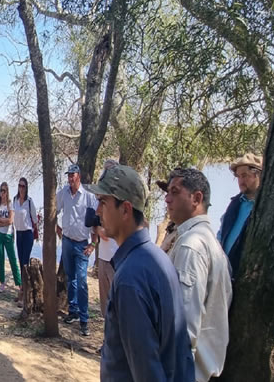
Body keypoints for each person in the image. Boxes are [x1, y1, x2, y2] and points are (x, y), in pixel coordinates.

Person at [85, 165, 195, 382]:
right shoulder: (157, 258)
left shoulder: (130, 278)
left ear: (125, 209)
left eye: (103, 202)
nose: (97, 211)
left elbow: (146, 368)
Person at [165, 168, 232, 382]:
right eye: (167, 192)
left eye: (174, 192)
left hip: (187, 373)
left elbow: (183, 327)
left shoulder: (192, 246)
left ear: (196, 198)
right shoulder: (211, 244)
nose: (167, 199)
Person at [55, 164, 97, 336]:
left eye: (73, 175)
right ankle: (72, 310)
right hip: (66, 241)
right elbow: (54, 208)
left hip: (81, 244)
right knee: (70, 277)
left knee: (82, 281)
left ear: (79, 176)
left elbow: (95, 220)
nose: (70, 179)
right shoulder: (64, 193)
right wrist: (57, 227)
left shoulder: (88, 197)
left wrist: (93, 244)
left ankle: (84, 319)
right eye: (69, 176)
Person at [218, 153, 262, 281]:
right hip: (224, 275)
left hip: (248, 277)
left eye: (245, 176)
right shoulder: (235, 203)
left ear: (258, 174)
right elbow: (221, 234)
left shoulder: (264, 206)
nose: (241, 181)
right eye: (238, 176)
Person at [95, 160, 120, 318]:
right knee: (105, 304)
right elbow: (95, 219)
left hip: (116, 258)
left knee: (117, 303)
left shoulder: (121, 197)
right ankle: (107, 337)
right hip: (103, 256)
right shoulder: (102, 197)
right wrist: (98, 229)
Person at [13, 177, 37, 302]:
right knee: (20, 260)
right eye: (19, 185)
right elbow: (13, 216)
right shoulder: (15, 200)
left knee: (25, 262)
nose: (21, 188)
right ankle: (22, 288)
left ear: (26, 187)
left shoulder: (29, 201)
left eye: (23, 186)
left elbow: (35, 219)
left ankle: (25, 291)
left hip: (27, 233)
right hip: (19, 233)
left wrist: (34, 231)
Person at [0, 182, 21, 293]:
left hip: (8, 235)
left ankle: (19, 284)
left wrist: (2, 221)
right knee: (1, 258)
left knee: (12, 259)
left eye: (4, 191)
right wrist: (1, 222)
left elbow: (10, 220)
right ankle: (2, 282)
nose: (2, 193)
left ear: (7, 192)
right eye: (1, 190)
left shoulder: (10, 204)